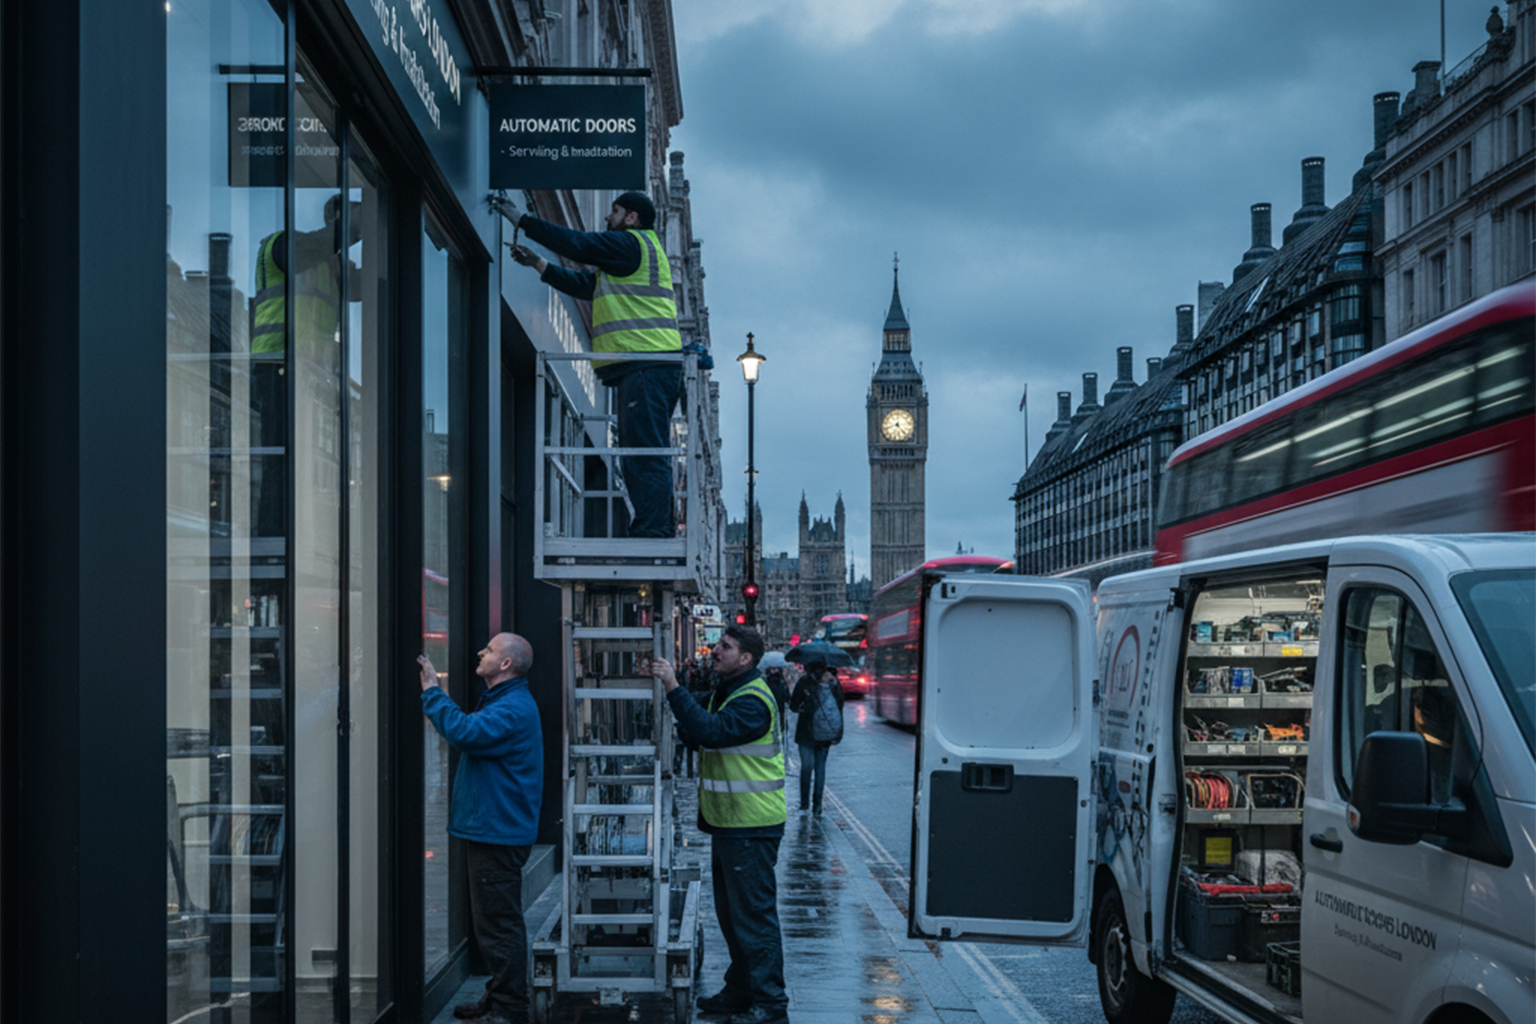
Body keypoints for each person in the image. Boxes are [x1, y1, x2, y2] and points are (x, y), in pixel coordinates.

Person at [494, 191, 682, 538]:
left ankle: (653, 531)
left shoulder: (630, 244)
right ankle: (652, 527)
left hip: (646, 364)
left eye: (614, 211)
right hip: (647, 366)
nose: (606, 219)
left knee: (643, 454)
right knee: (638, 453)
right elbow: (588, 286)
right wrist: (540, 264)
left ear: (631, 217)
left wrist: (522, 220)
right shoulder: (633, 256)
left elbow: (579, 244)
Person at [648, 627, 789, 1024]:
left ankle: (771, 1005)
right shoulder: (727, 691)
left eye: (725, 647)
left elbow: (710, 730)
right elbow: (698, 727)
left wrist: (673, 686)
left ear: (745, 658)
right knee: (733, 917)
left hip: (751, 826)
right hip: (730, 824)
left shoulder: (753, 700)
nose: (716, 652)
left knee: (754, 918)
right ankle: (742, 989)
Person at [417, 634, 544, 1024]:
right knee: (494, 922)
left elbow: (466, 733)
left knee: (499, 925)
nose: (480, 653)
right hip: (494, 829)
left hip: (497, 832)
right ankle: (500, 996)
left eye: (488, 650)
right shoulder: (507, 702)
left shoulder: (513, 708)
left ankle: (509, 1009)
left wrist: (432, 692)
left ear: (505, 665)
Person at [788, 660, 844, 816]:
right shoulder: (834, 682)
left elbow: (793, 706)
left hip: (806, 732)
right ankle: (817, 805)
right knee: (820, 768)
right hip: (826, 732)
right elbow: (840, 704)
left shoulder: (805, 682)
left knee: (806, 767)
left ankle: (804, 803)